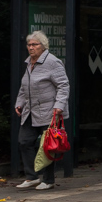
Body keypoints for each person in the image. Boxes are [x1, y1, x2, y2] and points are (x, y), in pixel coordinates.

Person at [15, 31, 69, 190]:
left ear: (43, 46)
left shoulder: (53, 62)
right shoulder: (29, 63)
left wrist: (59, 105)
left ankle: (48, 180)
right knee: (24, 141)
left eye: (34, 45)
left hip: (49, 112)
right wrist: (19, 103)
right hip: (30, 112)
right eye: (29, 45)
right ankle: (32, 177)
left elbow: (63, 85)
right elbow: (24, 87)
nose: (31, 48)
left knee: (47, 145)